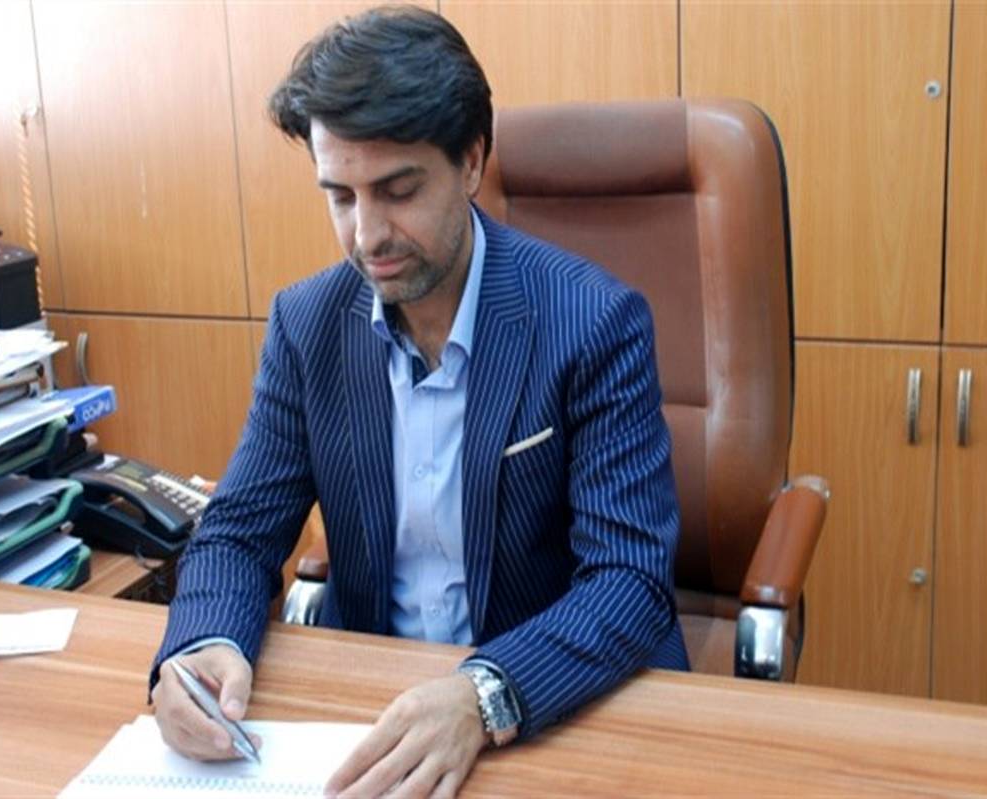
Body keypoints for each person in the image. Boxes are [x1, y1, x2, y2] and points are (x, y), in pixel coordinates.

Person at [150, 5, 688, 796]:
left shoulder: (592, 322)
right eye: (340, 196)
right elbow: (237, 531)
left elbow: (629, 580)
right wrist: (202, 643)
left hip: (549, 706)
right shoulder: (308, 325)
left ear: (470, 162)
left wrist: (482, 694)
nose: (367, 234)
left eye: (397, 190)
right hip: (373, 709)